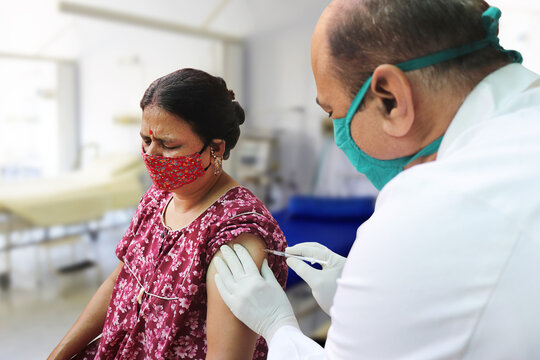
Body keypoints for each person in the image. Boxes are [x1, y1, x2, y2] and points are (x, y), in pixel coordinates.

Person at [213, 0, 540, 358]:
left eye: (334, 112)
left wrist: (278, 328)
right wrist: (356, 294)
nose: (340, 138)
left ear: (390, 98)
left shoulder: (427, 209)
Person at [47, 68, 288, 360]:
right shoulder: (158, 198)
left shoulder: (235, 236)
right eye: (146, 141)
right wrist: (59, 354)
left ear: (215, 148)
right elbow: (122, 280)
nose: (151, 155)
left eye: (168, 145)